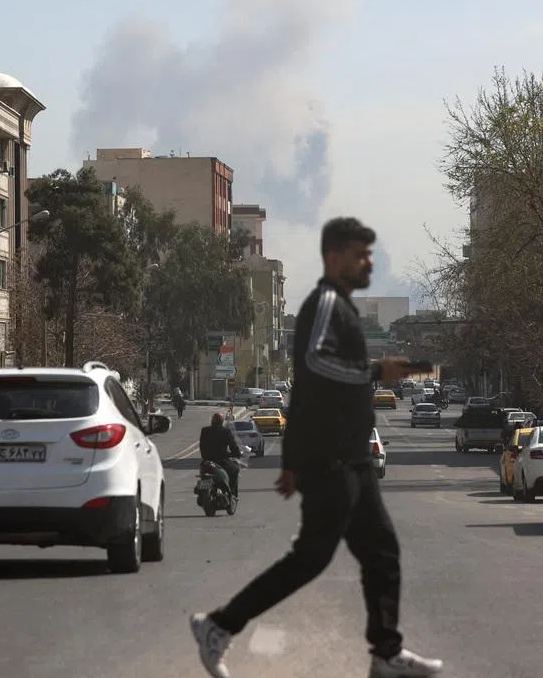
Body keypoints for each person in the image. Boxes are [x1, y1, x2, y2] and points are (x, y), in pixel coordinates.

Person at [190, 217, 443, 678]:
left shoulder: (342, 307)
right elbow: (311, 365)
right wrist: (372, 372)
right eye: (359, 254)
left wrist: (287, 461)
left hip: (352, 457)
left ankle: (386, 653)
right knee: (312, 557)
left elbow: (302, 395)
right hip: (332, 460)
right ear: (334, 257)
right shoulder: (326, 303)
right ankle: (219, 626)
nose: (368, 262)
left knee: (381, 551)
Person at [199, 412, 242, 499]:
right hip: (221, 461)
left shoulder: (205, 430)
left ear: (212, 421)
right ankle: (232, 494)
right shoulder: (225, 431)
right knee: (235, 470)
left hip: (207, 461)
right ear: (222, 422)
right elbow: (233, 445)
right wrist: (236, 453)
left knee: (202, 473)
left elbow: (202, 446)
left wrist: (205, 457)